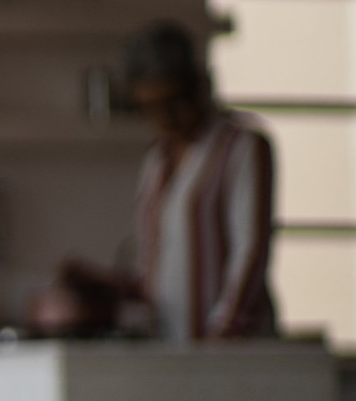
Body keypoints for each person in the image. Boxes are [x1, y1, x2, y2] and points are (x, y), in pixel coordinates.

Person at [59, 20, 278, 341]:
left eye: (173, 103)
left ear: (198, 86)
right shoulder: (156, 163)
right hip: (172, 348)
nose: (166, 118)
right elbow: (159, 275)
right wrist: (106, 286)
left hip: (230, 351)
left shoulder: (241, 148)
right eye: (151, 108)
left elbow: (251, 251)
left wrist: (225, 335)